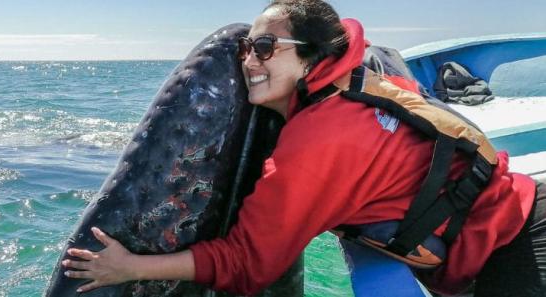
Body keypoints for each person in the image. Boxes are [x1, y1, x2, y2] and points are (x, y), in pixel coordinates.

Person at [60, 0, 544, 296]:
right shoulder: (365, 79)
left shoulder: (316, 143)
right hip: (520, 209)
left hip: (514, 245)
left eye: (267, 47)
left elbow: (248, 265)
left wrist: (130, 267)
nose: (249, 59)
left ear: (314, 55)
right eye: (247, 48)